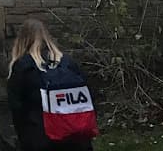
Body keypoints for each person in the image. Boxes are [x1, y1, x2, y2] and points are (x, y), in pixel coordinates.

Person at [7, 18, 96, 151]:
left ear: (22, 40)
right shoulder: (68, 62)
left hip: (41, 138)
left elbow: (16, 107)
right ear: (47, 37)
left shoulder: (23, 66)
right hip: (76, 138)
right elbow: (89, 95)